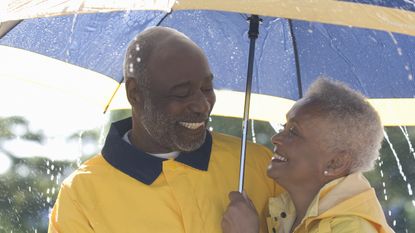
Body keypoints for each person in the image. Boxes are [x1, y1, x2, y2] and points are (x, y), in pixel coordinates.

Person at [48, 27, 282, 233]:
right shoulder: (81, 196)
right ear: (135, 94)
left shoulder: (260, 166)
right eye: (181, 92)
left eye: (207, 88)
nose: (202, 105)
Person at [222, 78, 395, 233]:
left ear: (335, 163)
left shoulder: (353, 229)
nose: (276, 139)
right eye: (284, 127)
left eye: (294, 132)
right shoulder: (284, 213)